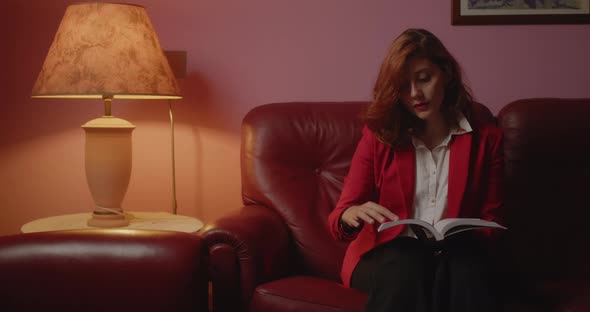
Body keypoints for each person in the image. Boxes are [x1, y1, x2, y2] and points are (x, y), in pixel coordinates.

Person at [327, 28, 504, 312]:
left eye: (424, 79)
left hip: (454, 256)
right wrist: (350, 215)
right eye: (402, 85)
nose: (415, 94)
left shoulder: (487, 140)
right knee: (407, 262)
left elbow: (491, 220)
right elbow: (341, 215)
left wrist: (464, 242)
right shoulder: (379, 136)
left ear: (445, 73)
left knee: (465, 269)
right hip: (388, 257)